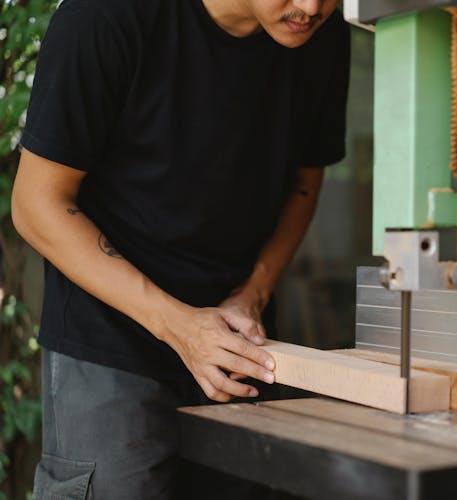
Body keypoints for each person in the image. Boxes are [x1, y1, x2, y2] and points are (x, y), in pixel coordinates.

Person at [10, 0, 350, 498]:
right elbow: (35, 205)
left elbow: (305, 177)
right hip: (111, 343)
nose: (310, 6)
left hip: (238, 345)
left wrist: (252, 293)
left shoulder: (319, 29)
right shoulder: (105, 16)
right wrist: (180, 326)